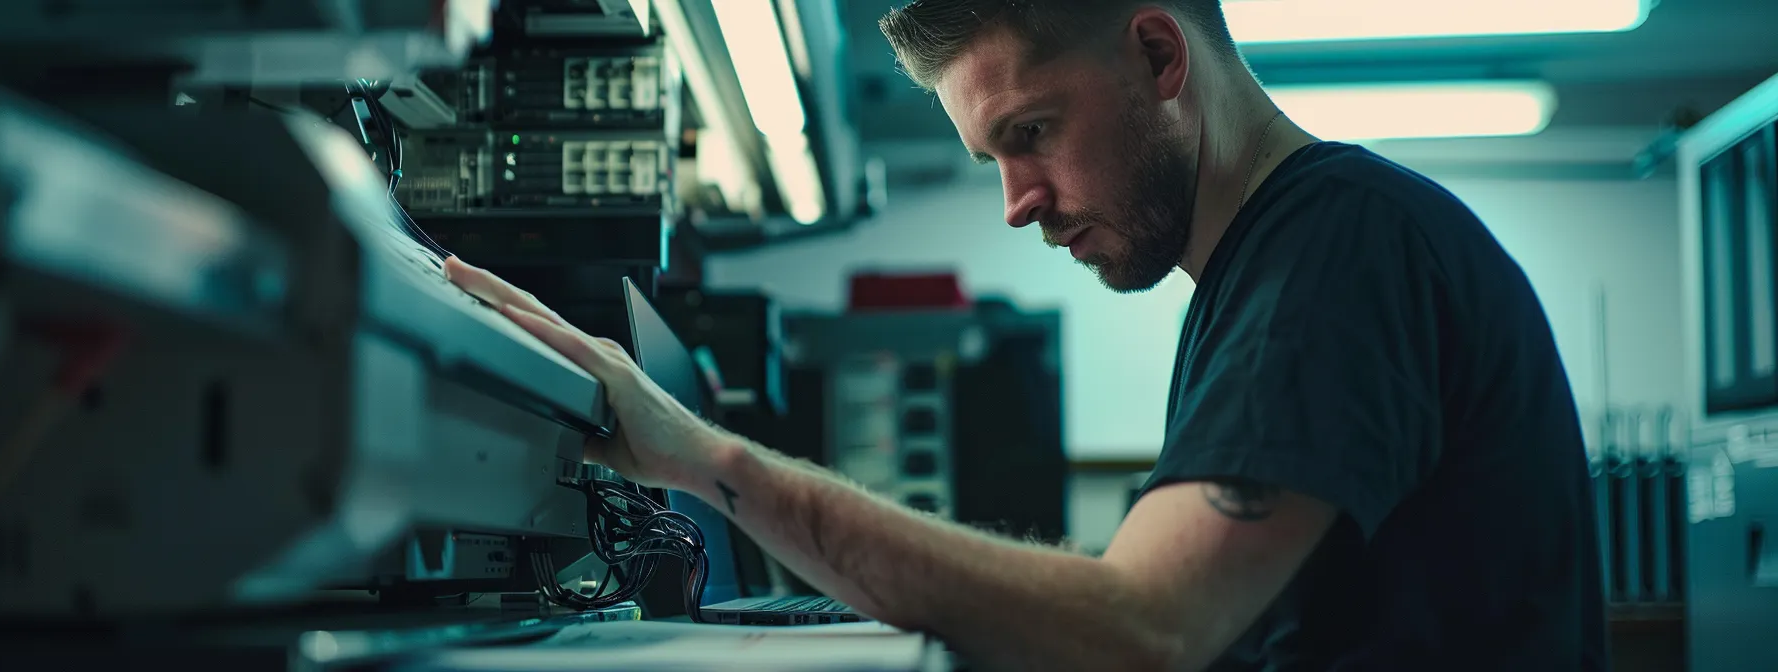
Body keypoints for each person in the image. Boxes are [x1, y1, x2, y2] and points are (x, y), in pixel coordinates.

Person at [446, 0, 1607, 668]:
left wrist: (703, 457)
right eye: (992, 160)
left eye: (1032, 131)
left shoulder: (1338, 254)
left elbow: (1141, 629)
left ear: (1158, 57)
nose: (1019, 201)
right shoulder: (1273, 270)